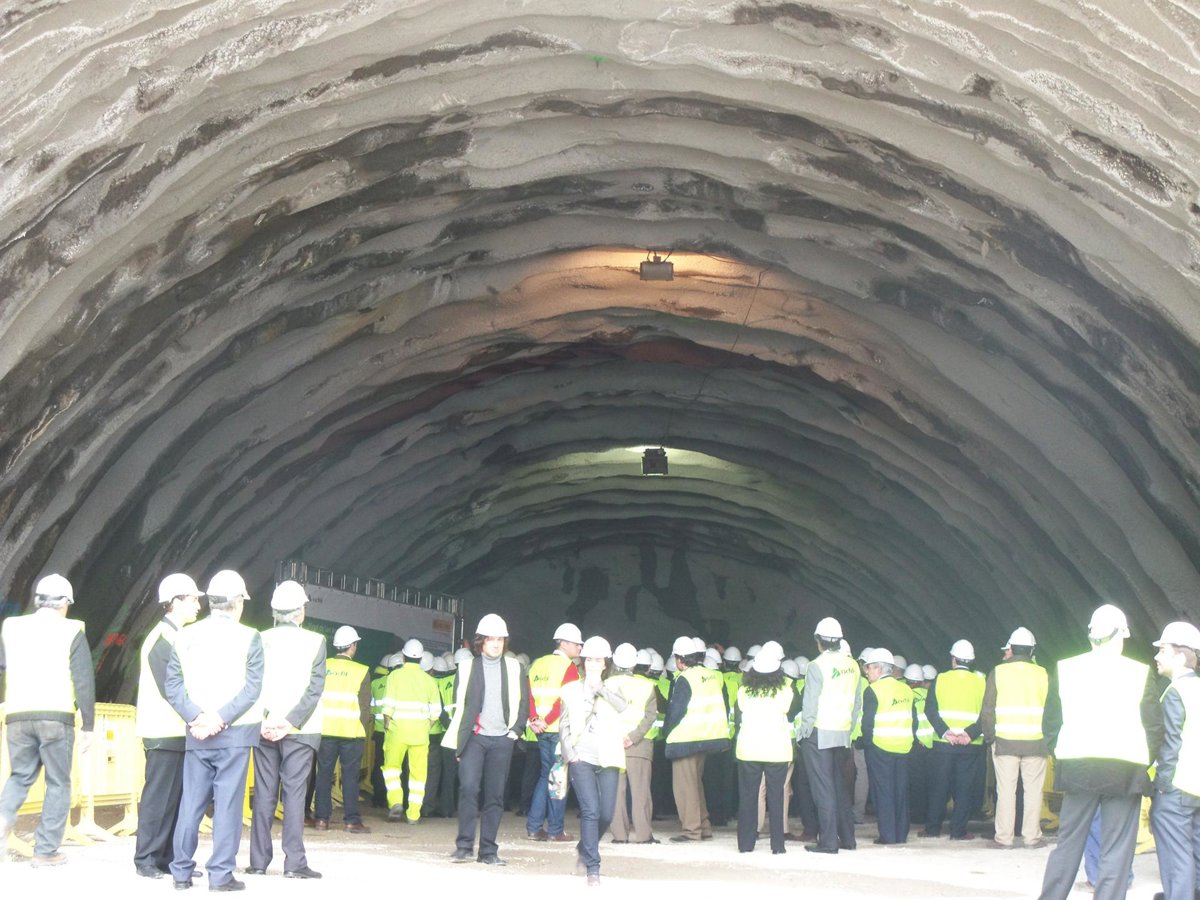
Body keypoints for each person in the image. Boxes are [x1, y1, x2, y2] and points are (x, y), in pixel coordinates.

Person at [1038, 604, 1163, 900]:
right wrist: (1143, 760)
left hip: (1077, 767)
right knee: (1117, 848)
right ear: (1121, 634)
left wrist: (1062, 754)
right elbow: (1154, 727)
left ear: (1092, 635)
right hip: (1125, 770)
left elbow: (1051, 722)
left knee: (1069, 843)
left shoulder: (1066, 668)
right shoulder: (1139, 672)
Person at [166, 569, 264, 892]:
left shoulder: (184, 636)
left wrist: (197, 717)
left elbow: (173, 686)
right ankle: (220, 875)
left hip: (197, 734)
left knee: (190, 804)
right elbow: (252, 689)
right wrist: (219, 719)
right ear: (237, 603)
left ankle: (181, 872)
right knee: (227, 806)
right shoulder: (250, 636)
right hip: (234, 735)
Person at [0, 574, 96, 867]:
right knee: (58, 783)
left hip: (17, 715)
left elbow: (3, 665)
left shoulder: (11, 626)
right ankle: (45, 851)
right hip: (56, 717)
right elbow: (83, 679)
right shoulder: (72, 630)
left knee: (20, 776)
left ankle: (2, 817)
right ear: (65, 603)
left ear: (38, 600)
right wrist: (89, 725)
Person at [247, 581, 325, 879]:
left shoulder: (259, 638)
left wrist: (266, 718)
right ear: (300, 612)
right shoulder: (316, 641)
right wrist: (290, 722)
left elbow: (251, 683)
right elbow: (314, 688)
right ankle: (294, 864)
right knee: (294, 795)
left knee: (264, 793)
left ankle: (258, 862)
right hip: (300, 731)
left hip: (265, 727)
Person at [443, 613, 530, 865]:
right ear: (480, 641)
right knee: (468, 788)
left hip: (502, 739)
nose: (496, 644)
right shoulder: (467, 667)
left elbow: (524, 703)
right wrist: (459, 743)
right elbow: (459, 707)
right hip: (474, 738)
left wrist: (515, 732)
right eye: (491, 639)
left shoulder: (514, 667)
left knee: (495, 795)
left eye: (500, 639)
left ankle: (488, 851)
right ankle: (464, 846)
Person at [132, 573, 202, 878]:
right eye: (193, 599)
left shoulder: (177, 636)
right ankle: (146, 859)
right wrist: (199, 717)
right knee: (158, 799)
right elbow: (171, 689)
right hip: (163, 731)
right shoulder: (162, 639)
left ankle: (169, 859)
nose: (198, 605)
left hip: (177, 733)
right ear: (175, 602)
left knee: (175, 801)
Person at [559, 636, 629, 886]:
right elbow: (564, 725)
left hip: (609, 757)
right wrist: (571, 755)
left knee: (606, 814)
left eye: (597, 660)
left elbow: (622, 706)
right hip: (582, 758)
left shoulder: (613, 688)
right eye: (589, 659)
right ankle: (593, 867)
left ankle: (584, 847)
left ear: (605, 664)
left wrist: (599, 688)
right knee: (591, 811)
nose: (592, 664)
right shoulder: (570, 690)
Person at [980, 626, 1050, 849]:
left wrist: (990, 737)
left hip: (1005, 742)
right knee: (1033, 792)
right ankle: (1031, 837)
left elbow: (987, 709)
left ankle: (1004, 838)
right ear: (1032, 651)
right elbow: (1051, 710)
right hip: (1036, 743)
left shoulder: (998, 672)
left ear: (1010, 648)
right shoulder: (1043, 673)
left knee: (1006, 792)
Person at [797, 617, 859, 854]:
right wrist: (849, 730)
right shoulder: (852, 665)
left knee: (823, 789)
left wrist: (804, 732)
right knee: (839, 787)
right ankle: (848, 839)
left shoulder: (817, 665)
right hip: (842, 732)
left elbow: (810, 704)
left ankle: (829, 841)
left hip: (819, 732)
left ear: (818, 640)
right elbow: (856, 703)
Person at [1149, 621, 1200, 900]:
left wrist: (1162, 785)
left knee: (1176, 857)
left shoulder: (1175, 692)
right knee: (1196, 853)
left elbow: (1170, 744)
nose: (1157, 656)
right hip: (1197, 787)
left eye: (1163, 650)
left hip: (1177, 786)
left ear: (1180, 656)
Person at [664, 635, 730, 842]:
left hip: (685, 739)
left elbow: (676, 711)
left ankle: (691, 830)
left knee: (685, 787)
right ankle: (704, 826)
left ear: (680, 660)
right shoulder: (712, 676)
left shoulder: (684, 679)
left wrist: (666, 731)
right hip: (707, 737)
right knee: (696, 785)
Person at [924, 639, 986, 840]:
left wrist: (945, 732)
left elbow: (930, 709)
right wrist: (970, 733)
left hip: (944, 744)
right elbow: (987, 713)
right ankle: (958, 831)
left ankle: (933, 828)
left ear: (954, 659)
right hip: (970, 745)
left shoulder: (941, 679)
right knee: (964, 789)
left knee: (938, 787)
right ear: (972, 661)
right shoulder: (981, 682)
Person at [526, 622, 583, 842]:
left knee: (545, 776)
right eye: (577, 644)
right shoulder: (569, 668)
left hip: (541, 731)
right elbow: (565, 702)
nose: (580, 648)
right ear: (564, 643)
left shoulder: (538, 664)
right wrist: (546, 720)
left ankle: (534, 827)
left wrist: (535, 720)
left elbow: (530, 695)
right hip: (559, 731)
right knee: (558, 779)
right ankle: (556, 830)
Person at [313, 625, 373, 833]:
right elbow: (364, 707)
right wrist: (362, 730)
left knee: (323, 774)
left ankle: (321, 820)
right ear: (352, 646)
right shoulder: (361, 671)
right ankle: (351, 820)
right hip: (351, 732)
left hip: (325, 730)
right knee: (350, 777)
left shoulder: (323, 667)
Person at [735, 649, 793, 855]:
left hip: (749, 749)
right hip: (777, 750)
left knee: (748, 798)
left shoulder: (744, 691)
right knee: (776, 798)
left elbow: (742, 707)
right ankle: (777, 845)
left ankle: (745, 844)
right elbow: (786, 707)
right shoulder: (785, 690)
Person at [860, 648, 915, 845]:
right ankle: (901, 834)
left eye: (869, 668)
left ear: (879, 669)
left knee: (883, 793)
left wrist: (865, 745)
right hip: (903, 747)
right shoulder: (906, 690)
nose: (867, 672)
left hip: (880, 747)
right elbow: (914, 720)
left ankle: (888, 835)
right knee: (901, 792)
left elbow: (867, 724)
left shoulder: (873, 690)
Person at [382, 638, 441, 823]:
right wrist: (426, 726)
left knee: (392, 769)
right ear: (421, 658)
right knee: (418, 775)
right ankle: (413, 814)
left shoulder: (394, 676)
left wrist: (387, 725)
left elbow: (387, 707)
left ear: (403, 656)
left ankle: (395, 801)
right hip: (420, 734)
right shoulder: (430, 681)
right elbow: (436, 712)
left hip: (397, 732)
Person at [607, 642, 659, 845]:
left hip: (612, 745)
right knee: (641, 792)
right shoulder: (647, 686)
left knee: (615, 792)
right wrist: (634, 736)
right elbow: (650, 716)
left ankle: (620, 836)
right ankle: (644, 835)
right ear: (635, 663)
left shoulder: (606, 685)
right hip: (639, 745)